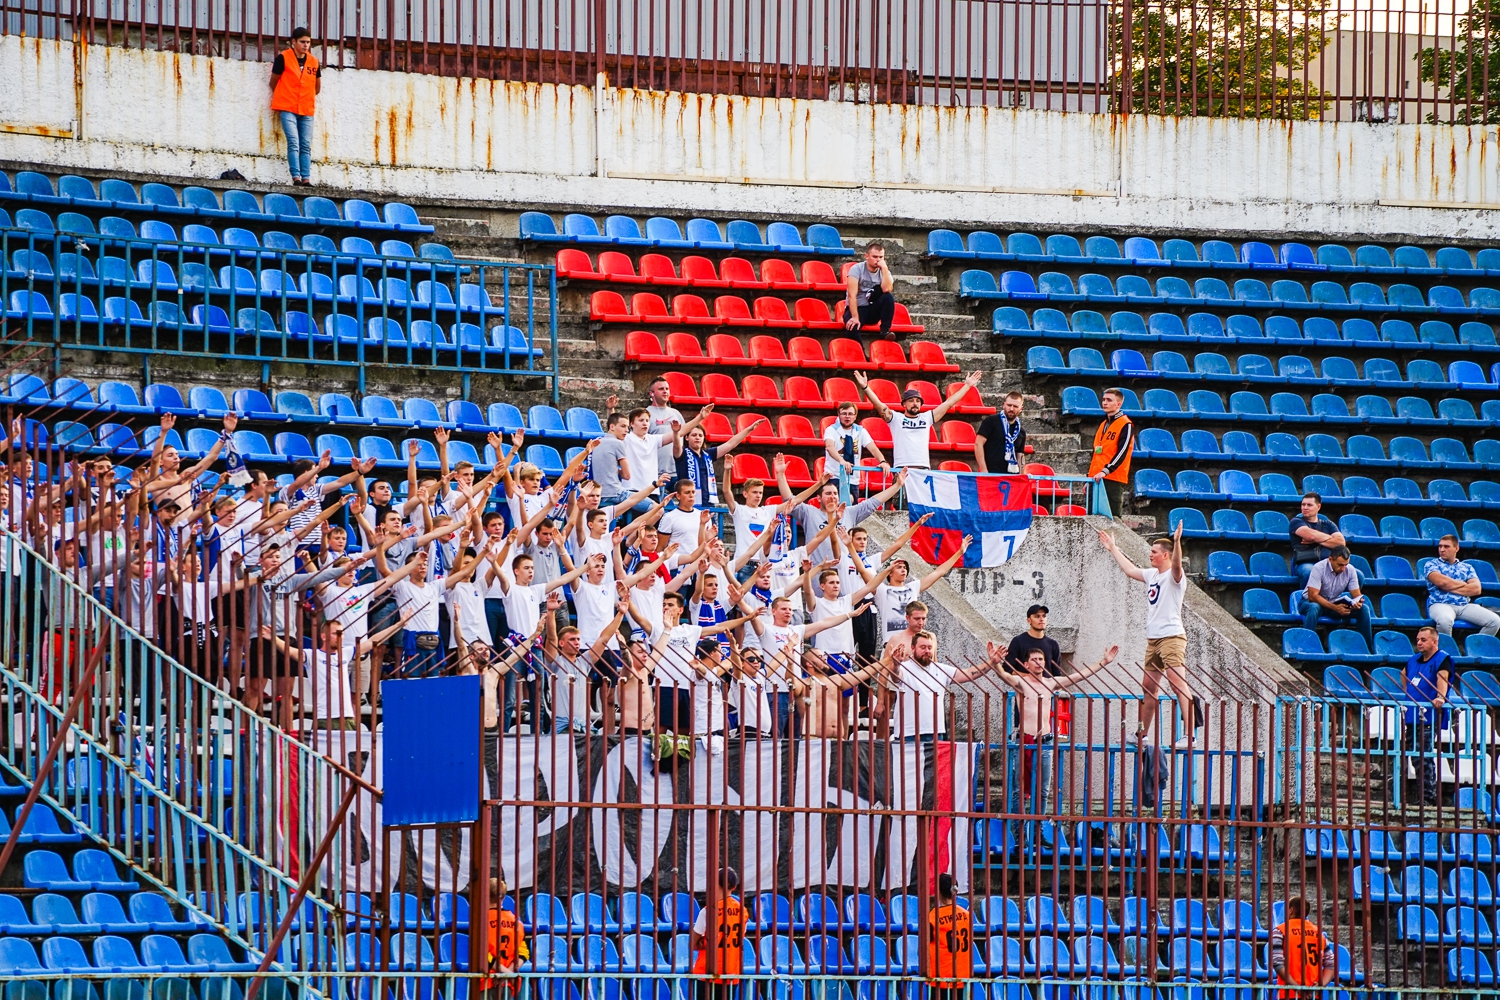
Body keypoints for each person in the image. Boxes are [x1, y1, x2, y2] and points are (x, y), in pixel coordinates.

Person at [1099, 520, 1203, 748]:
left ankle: (1190, 735)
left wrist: (1176, 543)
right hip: (1153, 639)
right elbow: (1129, 570)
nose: (1150, 554)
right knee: (1148, 687)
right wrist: (1113, 548)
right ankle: (1141, 735)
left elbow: (1177, 566)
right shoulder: (1152, 575)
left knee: (1178, 683)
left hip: (1172, 637)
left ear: (1165, 555)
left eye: (1154, 552)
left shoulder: (1174, 577)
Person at [990, 644, 1119, 814]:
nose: (1038, 662)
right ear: (1026, 664)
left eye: (1041, 659)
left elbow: (1078, 676)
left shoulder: (1051, 683)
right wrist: (995, 663)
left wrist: (1104, 662)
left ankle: (1039, 830)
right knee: (1018, 789)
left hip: (1045, 741)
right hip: (1024, 740)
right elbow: (1004, 676)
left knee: (1043, 791)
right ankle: (1018, 829)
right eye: (1034, 660)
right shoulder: (1020, 683)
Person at [854, 370, 983, 470]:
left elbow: (949, 403)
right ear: (904, 404)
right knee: (902, 505)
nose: (915, 403)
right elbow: (879, 405)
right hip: (902, 468)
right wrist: (866, 387)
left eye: (918, 401)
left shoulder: (926, 417)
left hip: (923, 469)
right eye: (911, 401)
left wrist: (967, 386)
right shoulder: (896, 418)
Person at [884, 630, 998, 740]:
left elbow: (968, 674)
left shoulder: (940, 669)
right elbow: (896, 675)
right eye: (922, 647)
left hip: (935, 731)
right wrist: (896, 664)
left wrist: (991, 662)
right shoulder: (904, 667)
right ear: (913, 648)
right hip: (908, 732)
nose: (927, 651)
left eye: (929, 648)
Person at [1402, 626, 1451, 807]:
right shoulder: (1413, 660)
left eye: (1423, 640)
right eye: (1418, 640)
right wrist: (1409, 694)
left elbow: (1442, 679)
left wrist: (1440, 697)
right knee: (1416, 756)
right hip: (1412, 714)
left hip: (1428, 716)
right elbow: (1404, 675)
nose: (1419, 643)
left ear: (1434, 641)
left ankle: (1429, 799)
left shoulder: (1441, 659)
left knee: (1424, 757)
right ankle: (1423, 796)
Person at [269, 26, 322, 185]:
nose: (306, 45)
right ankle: (296, 178)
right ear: (294, 42)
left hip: (306, 109)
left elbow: (317, 87)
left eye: (308, 42)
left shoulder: (314, 62)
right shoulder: (283, 58)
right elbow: (274, 82)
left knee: (305, 145)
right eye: (302, 42)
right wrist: (285, 95)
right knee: (294, 142)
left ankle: (306, 179)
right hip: (288, 107)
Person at [1422, 534, 1500, 637]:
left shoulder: (1467, 567)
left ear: (1456, 548)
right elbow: (1442, 582)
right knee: (1445, 621)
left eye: (1446, 546)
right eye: (1440, 546)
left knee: (1494, 621)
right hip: (1440, 604)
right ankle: (1446, 652)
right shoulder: (1431, 564)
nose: (1442, 549)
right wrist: (1464, 584)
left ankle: (1476, 650)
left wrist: (1448, 586)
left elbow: (1476, 589)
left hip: (1464, 605)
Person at [690, 867, 745, 1000]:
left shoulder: (708, 911)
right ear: (734, 886)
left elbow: (693, 944)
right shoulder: (742, 911)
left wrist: (704, 942)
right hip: (731, 973)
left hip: (707, 972)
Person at [1299, 545, 1372, 644]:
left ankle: (1366, 647)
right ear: (1330, 559)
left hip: (1333, 603)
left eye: (1346, 564)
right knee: (1314, 607)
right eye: (1340, 565)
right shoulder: (1319, 568)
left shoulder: (1350, 570)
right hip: (1309, 602)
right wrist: (1335, 608)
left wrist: (1357, 602)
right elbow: (1313, 596)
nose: (1343, 568)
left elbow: (1356, 595)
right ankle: (1306, 644)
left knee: (1364, 609)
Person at [1270, 897, 1335, 999]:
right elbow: (1331, 964)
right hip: (1313, 994)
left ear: (1291, 910)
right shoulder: (1319, 933)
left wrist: (1298, 988)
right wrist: (1319, 986)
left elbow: (1277, 962)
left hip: (1289, 993)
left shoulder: (1280, 931)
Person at [1087, 388, 1134, 517]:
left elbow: (1122, 452)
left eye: (1109, 400)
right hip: (1096, 479)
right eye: (1103, 400)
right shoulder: (1103, 424)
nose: (1104, 403)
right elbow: (1096, 454)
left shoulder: (1126, 424)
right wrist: (1089, 478)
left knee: (1112, 519)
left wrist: (1105, 470)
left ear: (1118, 404)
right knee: (1092, 519)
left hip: (1112, 478)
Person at [925, 873, 973, 998]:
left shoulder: (932, 917)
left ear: (938, 891)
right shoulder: (966, 915)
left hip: (941, 977)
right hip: (963, 976)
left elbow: (924, 947)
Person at [823, 401, 889, 486]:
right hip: (834, 477)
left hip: (853, 480)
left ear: (855, 416)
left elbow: (873, 448)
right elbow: (829, 447)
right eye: (844, 414)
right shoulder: (831, 429)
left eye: (850, 414)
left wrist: (883, 461)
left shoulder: (860, 430)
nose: (847, 417)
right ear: (839, 415)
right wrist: (842, 461)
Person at [481, 877, 528, 994]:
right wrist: (508, 974)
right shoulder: (516, 921)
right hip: (508, 982)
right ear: (504, 897)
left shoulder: (482, 921)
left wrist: (502, 971)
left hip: (487, 980)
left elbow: (481, 953)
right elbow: (524, 953)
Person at [1288, 492, 1346, 586]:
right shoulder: (1296, 522)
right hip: (1306, 563)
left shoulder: (1328, 524)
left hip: (1328, 564)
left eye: (1309, 505)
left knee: (1356, 574)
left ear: (1318, 507)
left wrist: (1316, 538)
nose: (1305, 507)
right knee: (1310, 572)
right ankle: (1307, 599)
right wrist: (1330, 538)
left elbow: (1341, 543)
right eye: (1303, 504)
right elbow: (1311, 536)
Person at [843, 241, 898, 338]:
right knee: (852, 327)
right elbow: (852, 295)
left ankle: (885, 331)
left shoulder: (884, 271)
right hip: (857, 308)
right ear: (867, 256)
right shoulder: (856, 269)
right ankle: (861, 352)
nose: (878, 260)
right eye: (875, 257)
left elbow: (887, 289)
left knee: (888, 297)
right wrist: (855, 317)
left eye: (881, 257)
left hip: (872, 309)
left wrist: (884, 269)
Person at [975, 392, 1028, 475]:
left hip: (1011, 476)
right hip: (991, 473)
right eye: (1009, 405)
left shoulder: (1021, 431)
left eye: (1015, 406)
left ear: (1021, 409)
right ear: (1004, 405)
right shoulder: (991, 421)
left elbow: (1020, 455)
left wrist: (1021, 476)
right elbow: (978, 444)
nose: (1011, 409)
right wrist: (984, 470)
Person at [1004, 604, 1063, 677]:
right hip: (1025, 687)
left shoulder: (1053, 644)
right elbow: (1007, 669)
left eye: (1044, 616)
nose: (1041, 619)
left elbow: (1057, 674)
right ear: (1029, 620)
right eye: (1037, 616)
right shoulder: (1018, 641)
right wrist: (1030, 678)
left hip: (1047, 687)